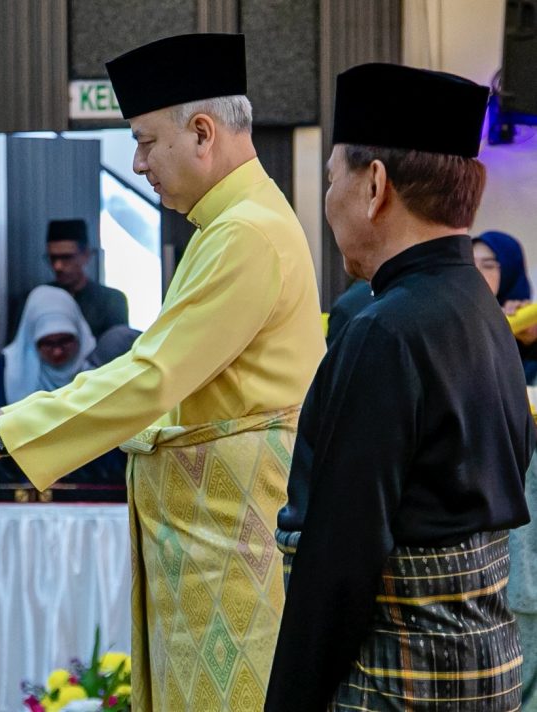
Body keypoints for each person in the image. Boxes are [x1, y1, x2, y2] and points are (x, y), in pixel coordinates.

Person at [0, 33, 324, 710]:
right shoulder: (229, 226)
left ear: (202, 132)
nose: (137, 163)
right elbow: (155, 374)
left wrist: (4, 433)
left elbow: (152, 378)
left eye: (144, 141)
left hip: (232, 542)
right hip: (213, 539)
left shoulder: (245, 233)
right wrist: (3, 418)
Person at [265, 63, 533, 711]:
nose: (328, 200)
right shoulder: (481, 311)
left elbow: (340, 557)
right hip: (485, 667)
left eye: (332, 178)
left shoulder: (385, 330)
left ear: (375, 185)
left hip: (400, 677)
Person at [0, 285, 95, 408]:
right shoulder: (10, 367)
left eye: (65, 341)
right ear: (32, 340)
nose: (57, 352)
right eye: (48, 343)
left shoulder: (96, 364)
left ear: (79, 336)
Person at [40, 219, 128, 338]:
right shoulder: (38, 300)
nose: (58, 266)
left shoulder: (111, 301)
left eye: (66, 257)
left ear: (85, 255)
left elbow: (117, 343)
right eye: (53, 258)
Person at [472, 230, 537, 382]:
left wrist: (530, 342)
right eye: (469, 264)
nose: (475, 273)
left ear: (510, 271)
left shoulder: (527, 321)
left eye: (488, 265)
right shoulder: (450, 315)